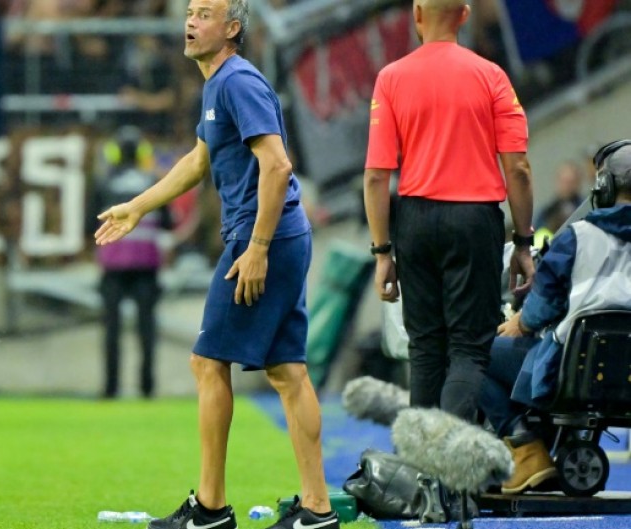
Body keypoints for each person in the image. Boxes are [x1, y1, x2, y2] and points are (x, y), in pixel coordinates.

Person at [95, 1, 338, 528]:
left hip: (263, 238)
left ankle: (209, 508)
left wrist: (256, 247)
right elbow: (198, 161)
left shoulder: (237, 82)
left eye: (204, 14)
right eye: (189, 11)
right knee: (288, 371)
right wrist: (138, 206)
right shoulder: (217, 84)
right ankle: (317, 509)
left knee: (208, 363)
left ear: (231, 29)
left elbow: (277, 165)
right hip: (280, 237)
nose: (190, 20)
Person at [363, 0, 535, 424]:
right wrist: (524, 241)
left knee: (425, 348)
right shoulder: (492, 76)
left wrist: (383, 251)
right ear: (465, 15)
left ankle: (423, 473)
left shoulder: (390, 78)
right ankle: (450, 470)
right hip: (474, 221)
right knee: (468, 350)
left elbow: (374, 177)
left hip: (414, 220)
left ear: (417, 14)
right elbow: (519, 168)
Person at [480, 140, 631, 494]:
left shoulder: (578, 237)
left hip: (567, 372)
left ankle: (525, 444)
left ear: (603, 187)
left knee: (474, 352)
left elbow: (542, 309)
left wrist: (520, 322)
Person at [93, 125, 172, 399]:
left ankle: (110, 388)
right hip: (146, 269)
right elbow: (167, 224)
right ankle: (147, 388)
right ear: (142, 152)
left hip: (112, 269)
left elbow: (89, 224)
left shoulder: (103, 184)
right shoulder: (152, 183)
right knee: (147, 332)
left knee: (111, 332)